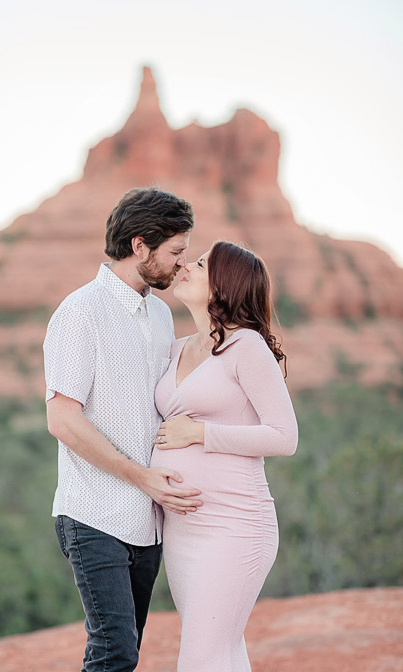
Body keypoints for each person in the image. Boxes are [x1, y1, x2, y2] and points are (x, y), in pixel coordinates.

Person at [44, 187, 204, 672]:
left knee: (124, 652)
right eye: (175, 252)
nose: (181, 265)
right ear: (140, 246)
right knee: (114, 651)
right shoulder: (79, 312)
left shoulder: (159, 313)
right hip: (92, 512)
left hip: (149, 521)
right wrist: (142, 477)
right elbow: (62, 420)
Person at [151, 240, 297, 671]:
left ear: (224, 285)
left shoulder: (246, 346)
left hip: (234, 525)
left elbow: (284, 437)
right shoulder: (176, 348)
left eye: (200, 264)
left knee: (201, 656)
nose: (186, 267)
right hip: (184, 529)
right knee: (223, 653)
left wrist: (199, 433)